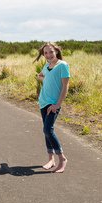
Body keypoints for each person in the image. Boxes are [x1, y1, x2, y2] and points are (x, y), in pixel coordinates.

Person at [34, 41, 70, 173]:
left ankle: (62, 159)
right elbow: (40, 76)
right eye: (45, 53)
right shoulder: (47, 66)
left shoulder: (63, 65)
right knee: (46, 130)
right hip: (43, 102)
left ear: (56, 51)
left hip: (54, 103)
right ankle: (51, 159)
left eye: (50, 52)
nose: (48, 55)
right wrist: (45, 80)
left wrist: (58, 104)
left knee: (48, 130)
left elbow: (65, 86)